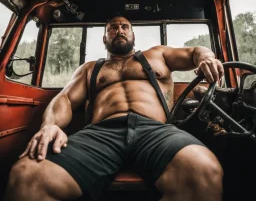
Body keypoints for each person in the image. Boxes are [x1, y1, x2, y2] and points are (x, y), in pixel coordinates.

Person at [4, 16, 224, 201]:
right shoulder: (90, 68)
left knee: (204, 171)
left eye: (125, 27)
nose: (119, 30)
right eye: (113, 28)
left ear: (133, 35)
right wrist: (49, 125)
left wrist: (206, 58)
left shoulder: (158, 54)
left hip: (156, 131)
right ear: (104, 37)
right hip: (100, 134)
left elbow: (195, 51)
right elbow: (66, 99)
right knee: (26, 176)